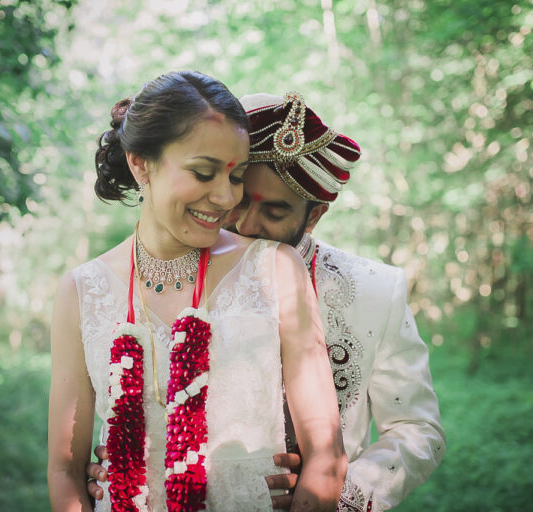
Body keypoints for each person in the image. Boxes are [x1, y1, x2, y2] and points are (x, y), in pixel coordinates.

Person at [86, 91, 445, 511]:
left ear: (314, 216)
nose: (245, 224)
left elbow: (418, 430)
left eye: (274, 213)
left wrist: (332, 492)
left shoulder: (374, 291)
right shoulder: (169, 275)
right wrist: (125, 469)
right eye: (239, 200)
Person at [48, 72, 347, 512]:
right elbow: (65, 472)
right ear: (140, 163)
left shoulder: (275, 269)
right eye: (203, 173)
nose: (226, 198)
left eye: (236, 176)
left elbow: (326, 456)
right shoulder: (81, 290)